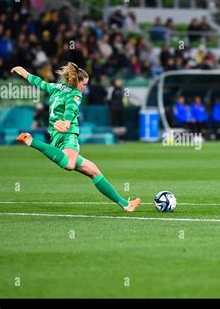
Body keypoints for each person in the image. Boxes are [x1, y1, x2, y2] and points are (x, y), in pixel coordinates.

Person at [11, 62, 141, 212]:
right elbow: (71, 108)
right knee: (69, 165)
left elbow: (39, 82)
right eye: (84, 84)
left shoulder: (55, 87)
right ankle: (31, 141)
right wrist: (67, 122)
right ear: (76, 82)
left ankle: (125, 204)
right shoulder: (75, 93)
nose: (85, 88)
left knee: (94, 171)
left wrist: (25, 73)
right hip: (68, 135)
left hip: (56, 136)